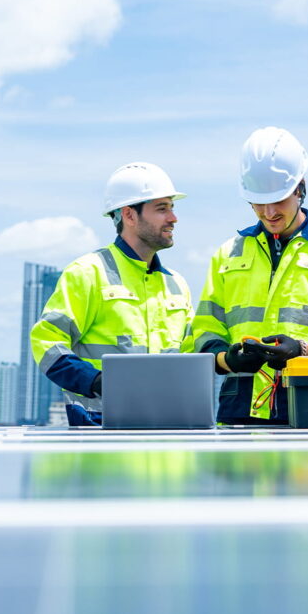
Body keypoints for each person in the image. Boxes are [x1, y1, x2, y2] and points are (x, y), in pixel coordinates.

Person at [190, 127, 308, 426]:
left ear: (300, 188)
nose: (269, 211)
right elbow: (203, 332)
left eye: (279, 200)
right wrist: (229, 359)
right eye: (258, 202)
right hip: (239, 408)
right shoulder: (228, 254)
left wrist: (304, 352)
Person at [31, 162, 192, 426]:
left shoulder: (177, 284)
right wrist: (95, 381)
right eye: (162, 209)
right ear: (129, 215)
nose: (173, 218)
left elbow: (190, 357)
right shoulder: (87, 273)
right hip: (99, 428)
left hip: (168, 427)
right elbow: (46, 342)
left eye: (172, 208)